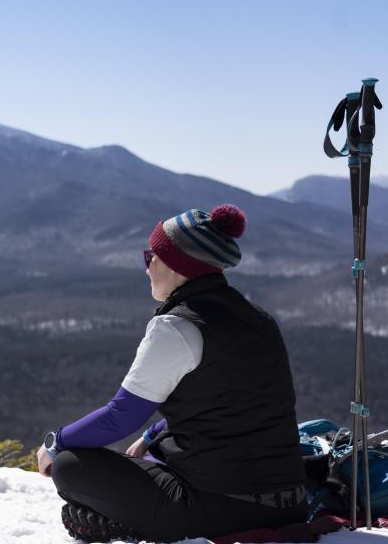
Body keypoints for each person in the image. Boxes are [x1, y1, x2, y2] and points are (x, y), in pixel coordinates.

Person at [36, 204, 307, 543]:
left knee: (70, 465)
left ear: (176, 265)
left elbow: (120, 417)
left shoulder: (176, 327)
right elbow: (228, 402)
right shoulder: (259, 320)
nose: (147, 266)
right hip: (292, 503)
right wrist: (152, 436)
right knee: (158, 448)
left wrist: (56, 442)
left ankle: (131, 526)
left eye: (151, 256)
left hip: (218, 511)